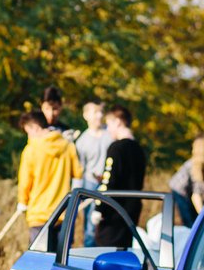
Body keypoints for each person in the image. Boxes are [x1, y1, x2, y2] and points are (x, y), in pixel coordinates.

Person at [17, 110, 81, 244]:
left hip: (39, 214)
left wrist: (23, 201)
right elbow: (78, 175)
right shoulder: (68, 146)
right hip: (64, 213)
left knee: (39, 262)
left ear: (35, 128)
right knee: (61, 262)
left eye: (28, 132)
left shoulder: (31, 150)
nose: (28, 137)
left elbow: (25, 182)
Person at [95, 104, 147, 248]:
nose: (108, 129)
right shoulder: (139, 149)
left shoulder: (116, 147)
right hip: (132, 210)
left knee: (105, 254)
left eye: (109, 124)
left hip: (113, 212)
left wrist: (100, 208)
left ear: (118, 122)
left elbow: (110, 181)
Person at [74, 99, 111, 246]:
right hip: (90, 185)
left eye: (101, 112)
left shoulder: (110, 134)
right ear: (86, 115)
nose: (99, 115)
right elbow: (80, 169)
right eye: (95, 112)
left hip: (109, 184)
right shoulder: (82, 141)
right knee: (90, 227)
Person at [168, 134, 204, 226]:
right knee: (190, 220)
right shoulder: (197, 166)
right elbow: (196, 196)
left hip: (186, 191)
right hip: (179, 192)